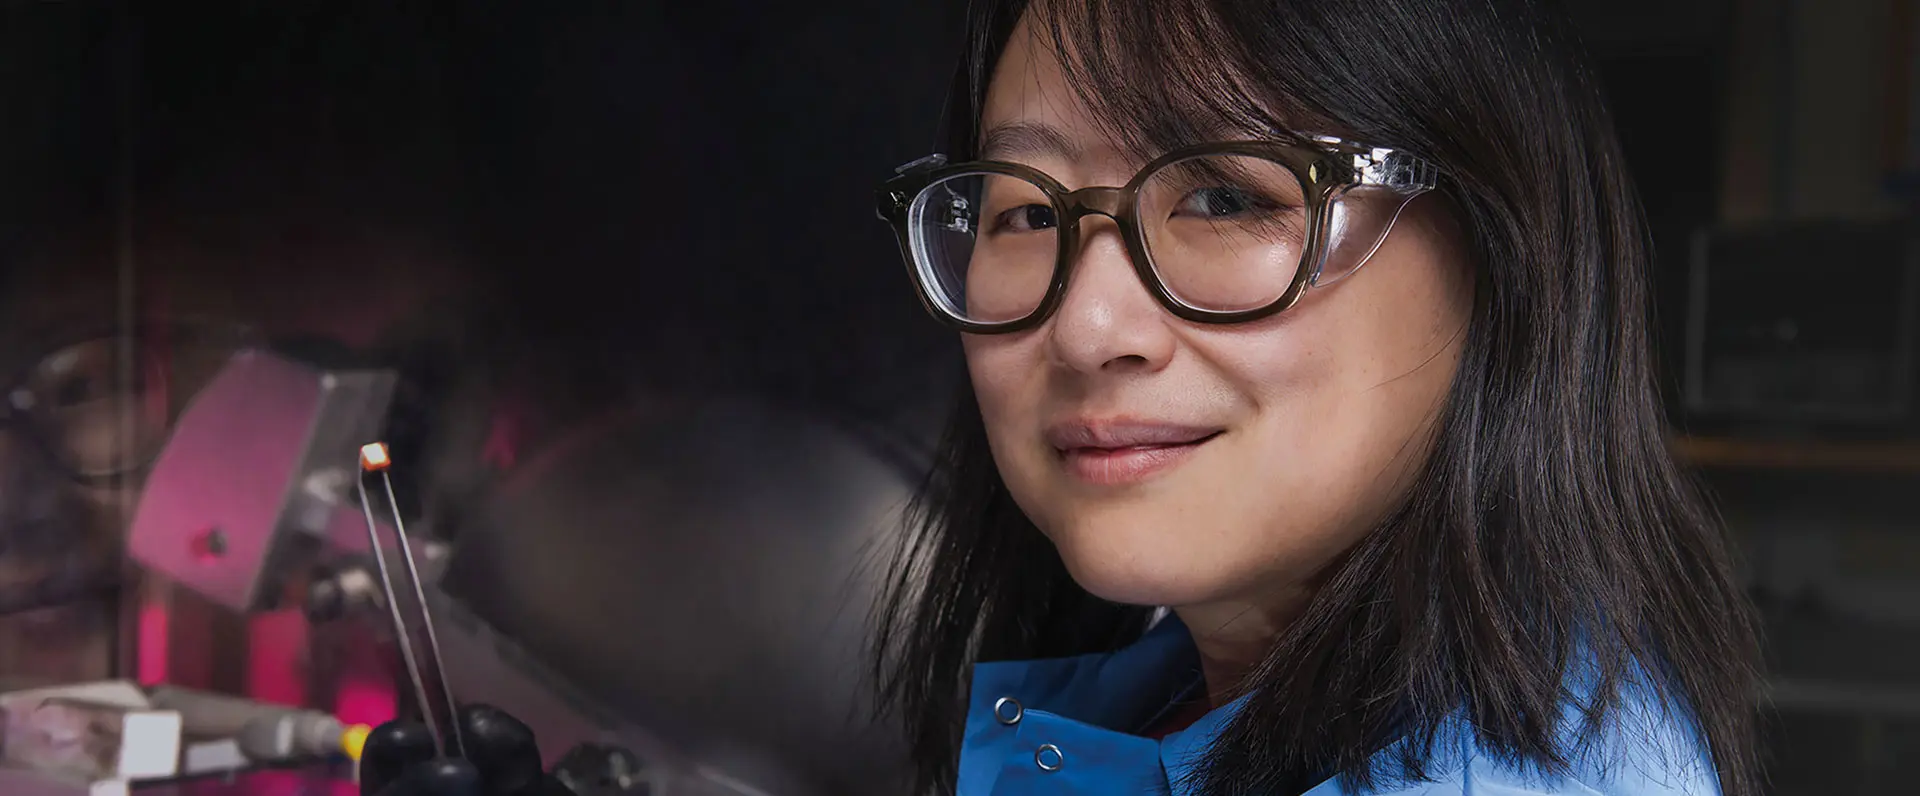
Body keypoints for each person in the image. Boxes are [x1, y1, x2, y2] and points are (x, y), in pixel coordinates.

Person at [366, 0, 1762, 794]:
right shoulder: (1194, 687)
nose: (1087, 323)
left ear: (1501, 250)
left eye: (1225, 194)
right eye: (1024, 209)